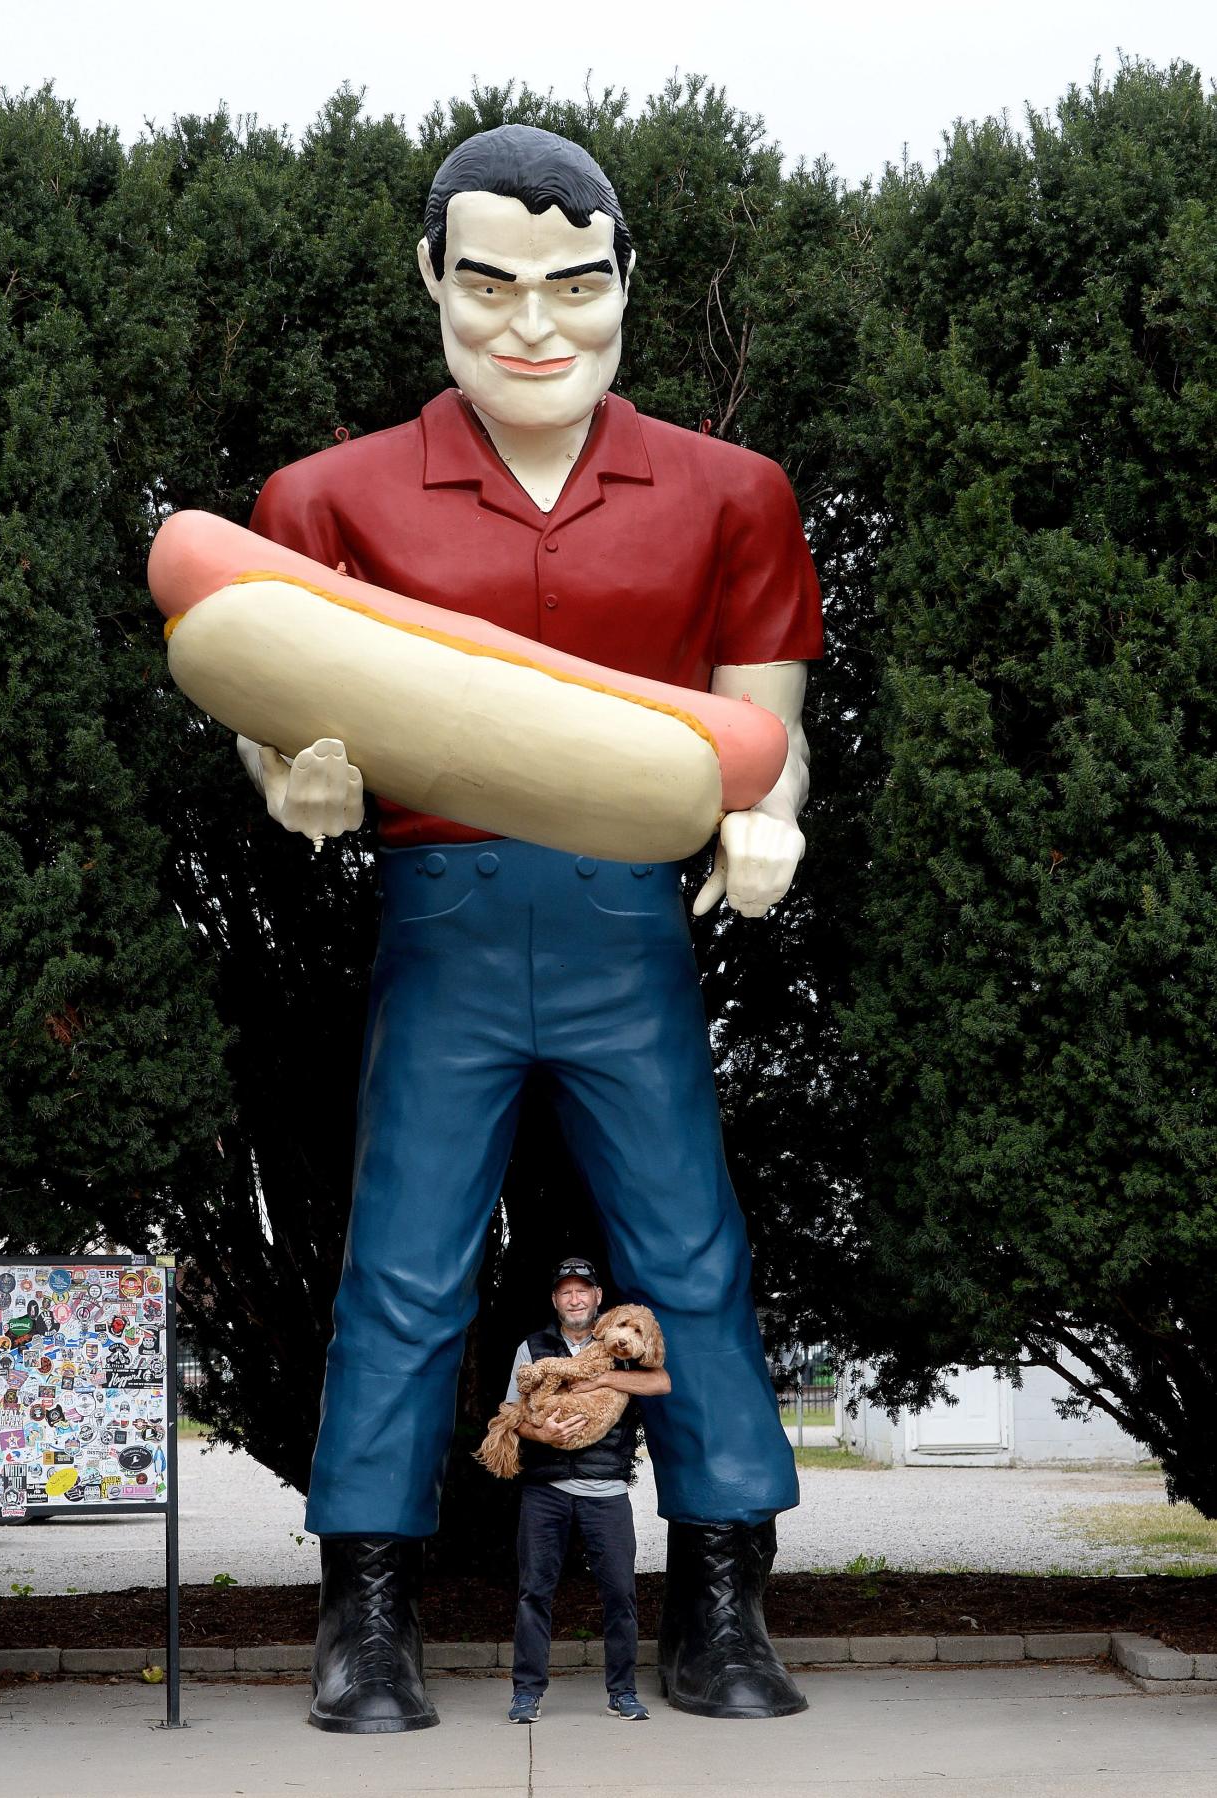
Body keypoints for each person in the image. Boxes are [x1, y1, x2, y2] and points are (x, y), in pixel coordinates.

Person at [240, 123, 821, 1734]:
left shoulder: (729, 495)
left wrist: (765, 817)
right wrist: (292, 780)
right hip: (446, 910)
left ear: (623, 279)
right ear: (431, 277)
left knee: (689, 1257)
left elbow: (760, 725)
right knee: (406, 1265)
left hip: (622, 914)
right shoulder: (329, 495)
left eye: (573, 282)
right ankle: (364, 1614)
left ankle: (721, 1592)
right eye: (488, 281)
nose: (531, 322)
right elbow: (270, 691)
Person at [505, 1257, 671, 1724]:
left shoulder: (622, 1339)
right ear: (555, 1300)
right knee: (534, 1591)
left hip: (606, 1490)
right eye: (565, 1292)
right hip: (546, 1490)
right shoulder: (532, 1347)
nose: (575, 1299)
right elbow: (513, 1413)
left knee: (620, 1593)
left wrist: (602, 1378)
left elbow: (661, 1381)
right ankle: (527, 1692)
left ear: (598, 1298)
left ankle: (622, 1691)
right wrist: (546, 1436)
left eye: (583, 1291)